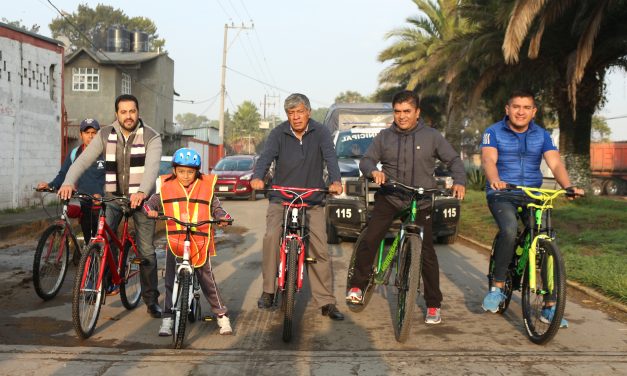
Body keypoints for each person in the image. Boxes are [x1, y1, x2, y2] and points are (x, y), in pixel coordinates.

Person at [345, 90, 466, 325]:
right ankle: (357, 286)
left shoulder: (432, 136)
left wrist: (459, 181)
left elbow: (454, 160)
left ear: (417, 112)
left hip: (420, 200)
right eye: (397, 112)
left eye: (407, 112)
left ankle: (433, 304)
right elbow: (367, 160)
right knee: (371, 237)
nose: (402, 116)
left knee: (428, 253)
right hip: (390, 196)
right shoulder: (384, 136)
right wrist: (374, 171)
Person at [480, 90, 584, 327]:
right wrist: (495, 179)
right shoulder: (493, 132)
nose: (521, 111)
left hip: (533, 195)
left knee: (546, 240)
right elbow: (488, 160)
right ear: (507, 109)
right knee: (508, 229)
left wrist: (568, 186)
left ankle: (549, 306)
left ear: (533, 111)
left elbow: (555, 161)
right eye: (516, 106)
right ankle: (497, 287)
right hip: (502, 193)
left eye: (526, 107)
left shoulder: (542, 135)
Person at [58, 94, 163, 318]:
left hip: (141, 199)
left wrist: (142, 192)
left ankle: (151, 299)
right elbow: (83, 161)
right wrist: (68, 181)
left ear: (138, 112)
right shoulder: (105, 134)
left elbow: (152, 167)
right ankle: (101, 284)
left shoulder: (151, 137)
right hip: (113, 197)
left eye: (132, 111)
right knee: (102, 239)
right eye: (123, 112)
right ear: (116, 114)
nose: (128, 116)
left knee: (146, 251)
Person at [250, 93, 345, 321]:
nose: (296, 117)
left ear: (308, 112)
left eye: (300, 112)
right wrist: (257, 177)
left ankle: (326, 302)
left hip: (312, 199)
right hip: (280, 198)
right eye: (291, 113)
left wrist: (336, 181)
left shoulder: (320, 132)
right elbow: (265, 158)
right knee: (272, 237)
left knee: (320, 249)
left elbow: (330, 158)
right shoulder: (278, 133)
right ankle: (268, 291)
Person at [144, 148, 233, 336]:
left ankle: (221, 315)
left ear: (197, 172)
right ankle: (167, 319)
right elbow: (153, 201)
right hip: (175, 239)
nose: (185, 176)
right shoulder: (166, 187)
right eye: (181, 171)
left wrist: (223, 216)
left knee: (207, 278)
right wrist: (150, 209)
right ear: (174, 170)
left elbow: (216, 207)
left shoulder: (205, 188)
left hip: (199, 239)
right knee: (169, 279)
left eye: (190, 172)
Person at [38, 118, 105, 249]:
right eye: (87, 132)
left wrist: (102, 195)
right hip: (85, 203)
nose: (91, 136)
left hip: (103, 206)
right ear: (81, 135)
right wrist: (51, 185)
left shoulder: (106, 154)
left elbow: (113, 178)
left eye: (94, 132)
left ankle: (106, 267)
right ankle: (87, 262)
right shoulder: (75, 153)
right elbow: (63, 174)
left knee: (105, 243)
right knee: (89, 242)